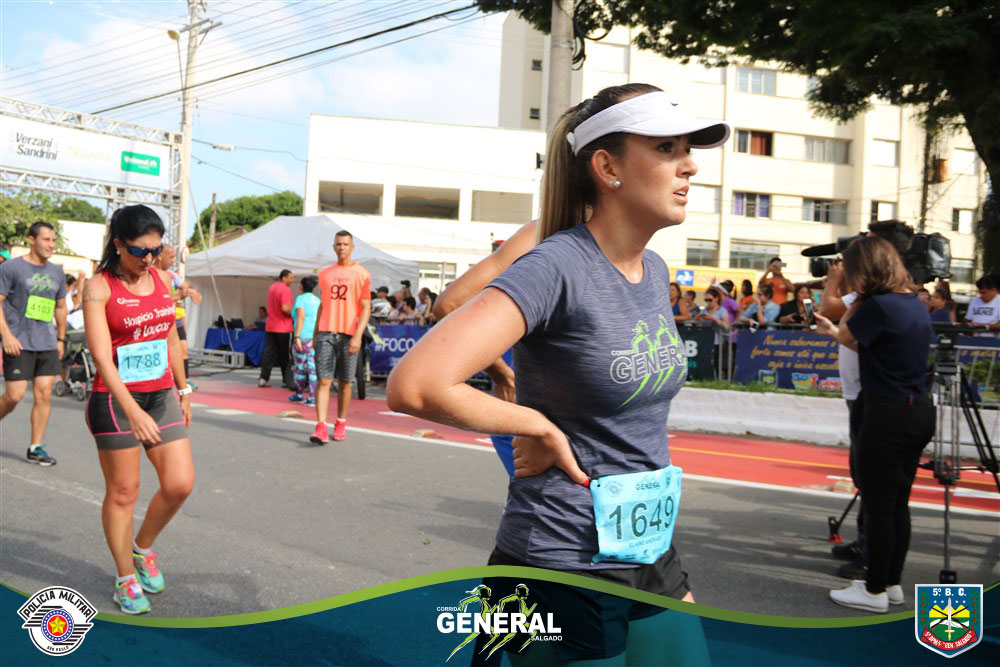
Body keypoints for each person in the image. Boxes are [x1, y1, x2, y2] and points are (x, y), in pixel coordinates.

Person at [388, 84, 727, 664]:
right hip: (562, 558)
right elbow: (415, 384)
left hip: (644, 545)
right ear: (607, 168)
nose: (689, 165)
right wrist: (534, 424)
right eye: (666, 148)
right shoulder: (556, 264)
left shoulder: (652, 268)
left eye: (687, 149)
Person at [81, 205, 194, 615]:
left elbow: (169, 337)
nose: (148, 258)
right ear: (118, 244)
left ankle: (142, 548)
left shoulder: (162, 279)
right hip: (115, 400)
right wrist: (132, 411)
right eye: (139, 251)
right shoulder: (98, 287)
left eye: (155, 250)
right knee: (124, 492)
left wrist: (183, 388)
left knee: (180, 484)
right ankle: (125, 578)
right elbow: (101, 356)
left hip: (160, 395)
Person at [814, 236, 934, 613]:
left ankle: (873, 590)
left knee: (879, 506)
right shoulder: (913, 302)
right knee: (898, 504)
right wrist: (836, 330)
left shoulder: (876, 305)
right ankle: (891, 583)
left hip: (885, 413)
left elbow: (848, 331)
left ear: (864, 270)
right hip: (918, 409)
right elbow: (866, 344)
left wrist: (853, 299)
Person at [0, 222, 67, 466]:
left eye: (53, 240)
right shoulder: (11, 268)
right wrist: (7, 335)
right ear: (31, 239)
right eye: (46, 239)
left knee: (44, 393)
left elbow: (61, 306)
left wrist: (60, 338)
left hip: (46, 342)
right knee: (15, 395)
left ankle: (36, 447)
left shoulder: (57, 272)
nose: (51, 245)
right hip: (19, 341)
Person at [310, 231, 371, 444]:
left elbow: (366, 308)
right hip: (326, 332)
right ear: (333, 247)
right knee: (323, 380)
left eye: (345, 244)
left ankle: (341, 422)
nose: (342, 247)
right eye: (338, 244)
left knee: (345, 382)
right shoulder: (325, 274)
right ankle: (320, 426)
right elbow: (322, 304)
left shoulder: (361, 274)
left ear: (352, 247)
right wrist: (315, 333)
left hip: (349, 334)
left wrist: (358, 336)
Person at [155, 244, 201, 386]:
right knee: (165, 353)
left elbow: (187, 286)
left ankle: (185, 381)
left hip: (177, 319)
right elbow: (158, 302)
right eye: (170, 257)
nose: (173, 261)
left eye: (175, 257)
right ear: (159, 256)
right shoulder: (150, 275)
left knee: (183, 349)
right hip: (161, 322)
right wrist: (178, 296)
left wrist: (193, 292)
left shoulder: (172, 275)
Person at [259, 270, 295, 389]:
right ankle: (286, 379)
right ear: (284, 278)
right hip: (283, 327)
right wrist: (296, 314)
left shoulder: (271, 288)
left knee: (268, 352)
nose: (292, 280)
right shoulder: (285, 290)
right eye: (290, 278)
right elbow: (285, 308)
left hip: (271, 325)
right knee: (284, 355)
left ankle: (263, 378)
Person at [290, 276, 320, 405]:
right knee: (312, 367)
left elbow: (300, 317)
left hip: (302, 336)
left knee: (300, 367)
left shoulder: (300, 299)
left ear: (301, 286)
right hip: (314, 337)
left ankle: (300, 394)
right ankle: (313, 397)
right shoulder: (318, 300)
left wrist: (297, 336)